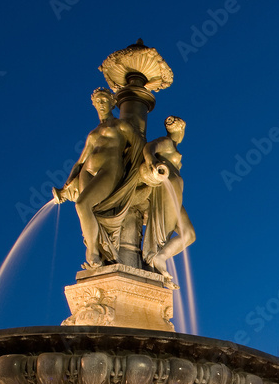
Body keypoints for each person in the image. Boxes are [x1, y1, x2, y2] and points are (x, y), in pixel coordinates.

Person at [54, 88, 144, 268]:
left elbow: (139, 146)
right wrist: (66, 186)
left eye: (104, 100)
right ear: (93, 104)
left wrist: (138, 173)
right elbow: (80, 162)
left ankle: (93, 252)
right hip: (87, 172)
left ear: (112, 102)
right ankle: (103, 254)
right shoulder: (93, 133)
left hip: (110, 169)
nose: (101, 104)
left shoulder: (121, 125)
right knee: (90, 212)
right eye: (97, 101)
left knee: (82, 204)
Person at [141, 116, 196, 280]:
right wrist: (151, 161)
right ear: (181, 129)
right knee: (166, 231)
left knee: (189, 234)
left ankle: (160, 257)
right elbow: (149, 147)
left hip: (175, 192)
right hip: (167, 188)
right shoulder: (167, 142)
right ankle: (153, 257)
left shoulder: (172, 145)